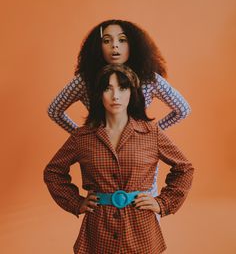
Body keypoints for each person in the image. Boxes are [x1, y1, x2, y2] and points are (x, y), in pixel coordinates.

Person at [44, 64, 194, 254]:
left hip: (141, 231)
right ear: (99, 94)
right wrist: (75, 202)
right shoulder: (82, 136)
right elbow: (53, 172)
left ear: (132, 93)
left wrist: (163, 202)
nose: (115, 96)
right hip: (98, 230)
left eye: (123, 88)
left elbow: (184, 168)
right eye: (108, 88)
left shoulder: (151, 132)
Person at [47, 19, 191, 200]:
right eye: (106, 40)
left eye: (122, 40)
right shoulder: (85, 80)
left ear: (134, 45)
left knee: (144, 210)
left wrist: (149, 137)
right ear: (97, 46)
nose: (115, 45)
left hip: (139, 166)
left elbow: (182, 109)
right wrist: (85, 138)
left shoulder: (148, 79)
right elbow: (55, 110)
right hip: (102, 164)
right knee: (102, 211)